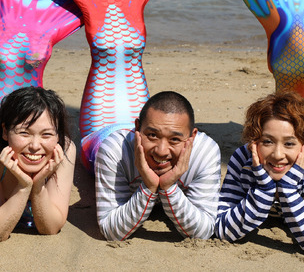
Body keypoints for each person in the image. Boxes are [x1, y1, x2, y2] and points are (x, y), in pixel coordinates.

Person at [214, 91, 304, 255]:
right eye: (267, 141)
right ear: (254, 141)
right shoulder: (242, 160)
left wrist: (288, 190)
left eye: (289, 144)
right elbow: (222, 230)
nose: (277, 155)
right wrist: (264, 189)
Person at [81, 91, 221, 241]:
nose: (161, 151)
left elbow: (203, 232)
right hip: (99, 140)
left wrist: (168, 187)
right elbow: (111, 231)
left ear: (192, 136)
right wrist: (149, 187)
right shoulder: (114, 150)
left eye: (174, 139)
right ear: (137, 128)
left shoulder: (205, 153)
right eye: (152, 136)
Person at [0, 86, 76, 243]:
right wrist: (24, 187)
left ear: (58, 135)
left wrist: (38, 185)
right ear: (5, 132)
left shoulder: (65, 149)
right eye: (24, 133)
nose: (35, 146)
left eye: (46, 134)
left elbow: (50, 228)